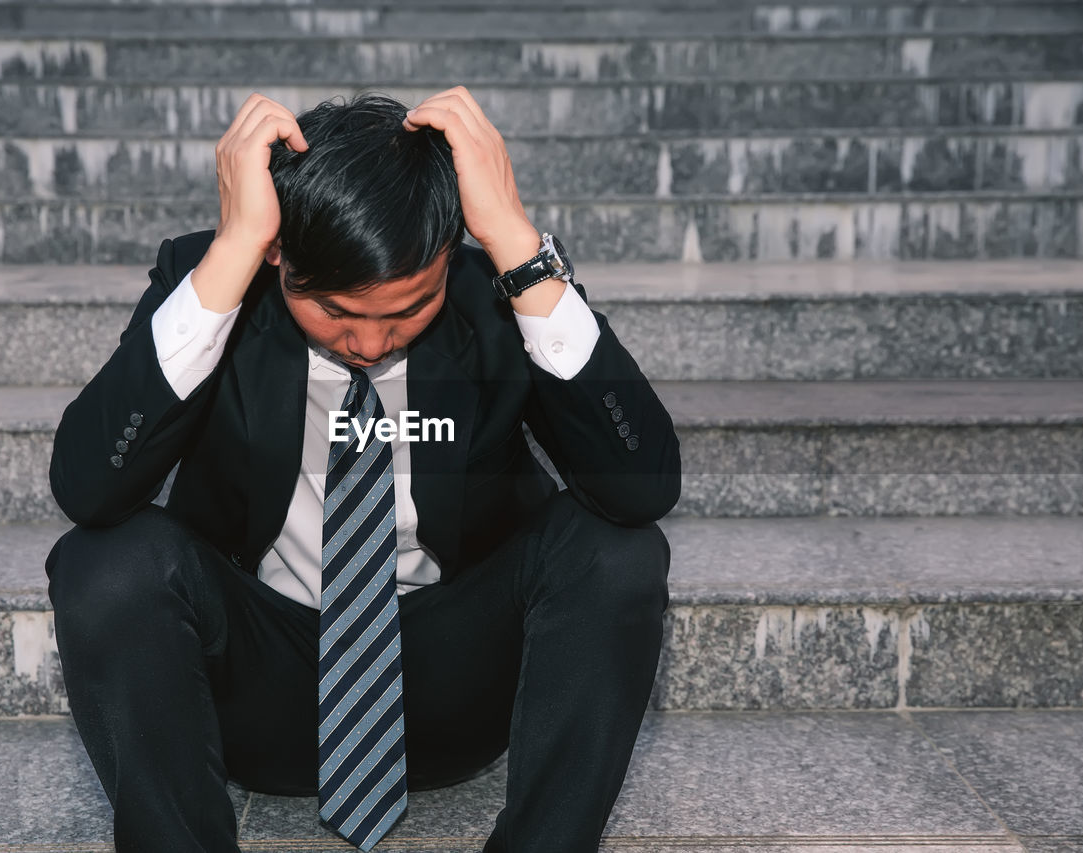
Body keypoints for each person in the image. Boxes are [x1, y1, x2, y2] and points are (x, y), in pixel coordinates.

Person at [45, 86, 681, 853]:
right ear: (280, 257)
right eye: (338, 314)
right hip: (255, 683)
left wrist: (515, 241)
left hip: (447, 688)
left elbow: (641, 486)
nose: (373, 343)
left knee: (618, 550)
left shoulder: (491, 294)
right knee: (104, 562)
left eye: (407, 309)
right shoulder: (219, 279)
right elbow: (89, 487)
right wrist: (237, 248)